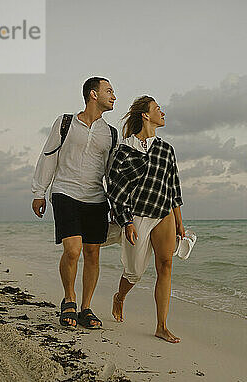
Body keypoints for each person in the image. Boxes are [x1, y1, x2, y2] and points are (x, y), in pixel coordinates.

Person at [31, 77, 117, 330]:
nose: (114, 96)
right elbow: (48, 156)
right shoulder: (66, 122)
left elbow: (112, 173)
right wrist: (39, 191)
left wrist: (118, 208)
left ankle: (86, 307)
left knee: (92, 253)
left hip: (96, 198)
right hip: (65, 191)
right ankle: (69, 299)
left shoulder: (111, 133)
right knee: (73, 250)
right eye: (109, 91)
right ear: (93, 94)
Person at [107, 95, 184, 343]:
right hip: (137, 214)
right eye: (158, 109)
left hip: (163, 213)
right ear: (145, 115)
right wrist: (126, 221)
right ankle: (120, 297)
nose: (163, 113)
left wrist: (180, 223)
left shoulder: (166, 149)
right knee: (135, 272)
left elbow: (173, 189)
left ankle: (161, 326)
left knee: (166, 266)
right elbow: (116, 188)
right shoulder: (124, 149)